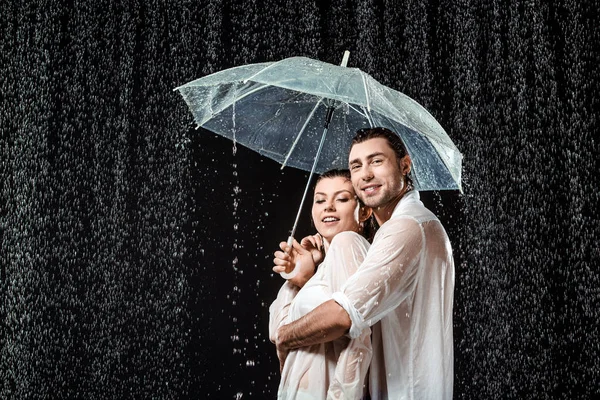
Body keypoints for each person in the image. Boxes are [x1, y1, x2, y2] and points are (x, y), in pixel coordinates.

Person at [273, 127, 455, 399]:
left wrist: (285, 337)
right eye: (356, 166)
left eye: (377, 161)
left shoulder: (408, 226)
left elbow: (345, 317)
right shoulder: (390, 232)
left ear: (405, 165)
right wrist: (304, 278)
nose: (366, 173)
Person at [269, 169, 374, 400]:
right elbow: (277, 333)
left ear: (364, 211)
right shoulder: (322, 264)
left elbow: (358, 338)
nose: (328, 207)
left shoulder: (349, 244)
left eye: (342, 198)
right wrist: (299, 275)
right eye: (320, 200)